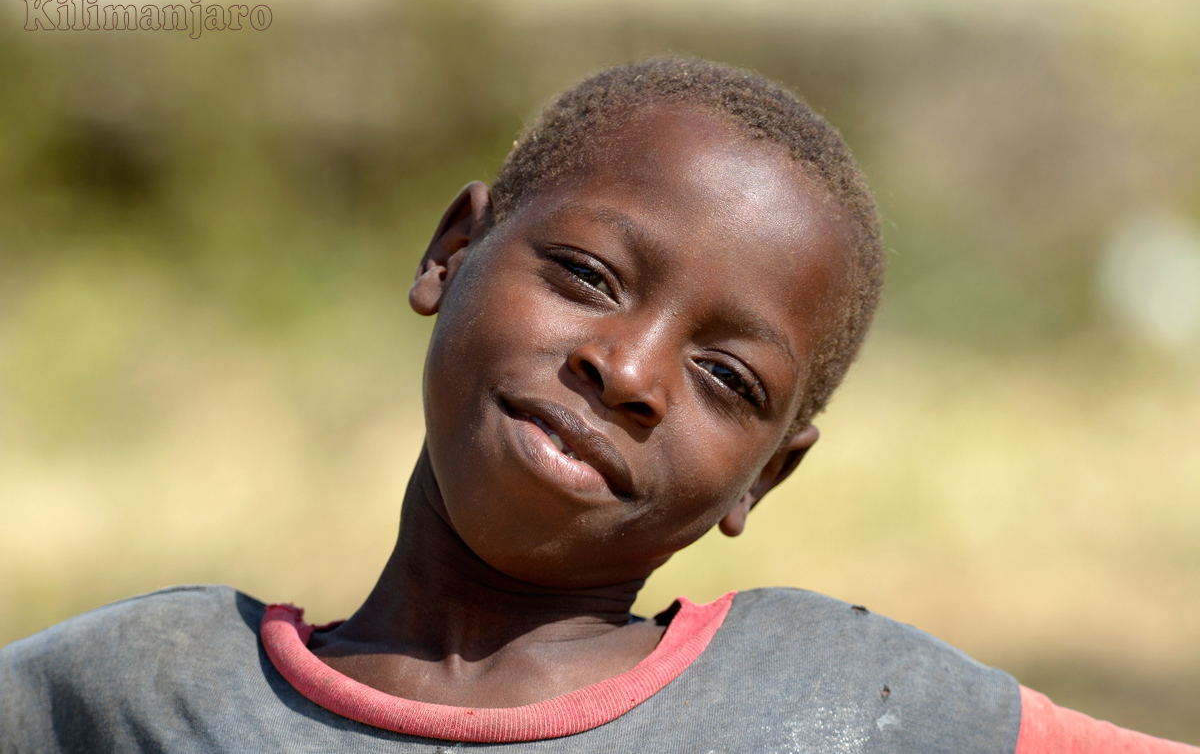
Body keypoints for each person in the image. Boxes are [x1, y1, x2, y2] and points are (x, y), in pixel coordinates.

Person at [1, 57, 1195, 753]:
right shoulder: (126, 690)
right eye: (584, 276)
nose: (627, 372)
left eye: (728, 379)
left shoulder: (845, 703)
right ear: (451, 252)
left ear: (767, 475)